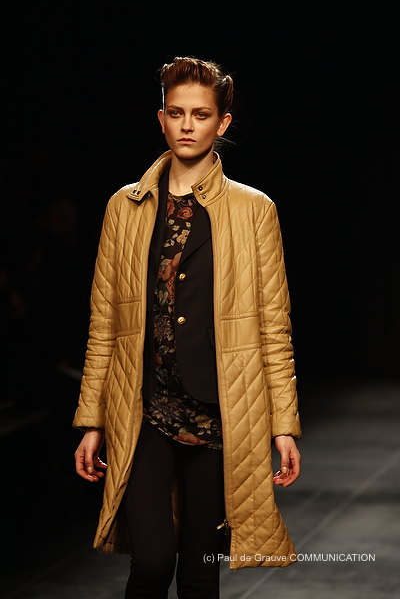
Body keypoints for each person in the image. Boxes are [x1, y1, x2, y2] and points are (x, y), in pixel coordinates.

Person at [73, 56, 301, 599]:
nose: (187, 125)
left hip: (222, 411)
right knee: (152, 564)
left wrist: (283, 424)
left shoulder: (254, 211)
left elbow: (274, 326)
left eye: (201, 114)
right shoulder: (125, 207)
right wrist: (91, 418)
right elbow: (105, 323)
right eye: (176, 113)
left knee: (200, 574)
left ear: (222, 123)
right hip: (142, 407)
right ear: (161, 119)